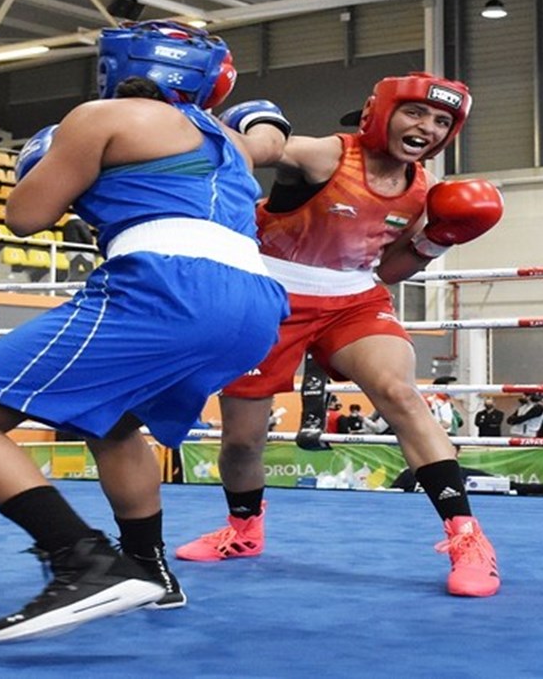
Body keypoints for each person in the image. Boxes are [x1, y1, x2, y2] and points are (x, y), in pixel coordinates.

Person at [0, 20, 292, 643]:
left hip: (169, 289)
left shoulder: (101, 117)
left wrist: (52, 160)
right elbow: (269, 143)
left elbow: (25, 216)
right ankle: (149, 570)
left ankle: (82, 562)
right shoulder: (231, 142)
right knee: (110, 419)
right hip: (256, 306)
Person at [175, 72, 505, 597]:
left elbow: (389, 269)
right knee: (242, 439)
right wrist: (245, 126)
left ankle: (468, 539)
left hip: (353, 298)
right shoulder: (327, 156)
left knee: (400, 394)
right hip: (269, 295)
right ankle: (243, 530)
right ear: (381, 113)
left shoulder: (421, 190)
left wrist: (438, 239)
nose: (427, 127)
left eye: (442, 121)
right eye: (416, 112)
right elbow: (264, 149)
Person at [390, 445, 543, 497]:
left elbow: (513, 486)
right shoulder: (412, 474)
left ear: (457, 452)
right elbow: (389, 494)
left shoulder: (469, 475)